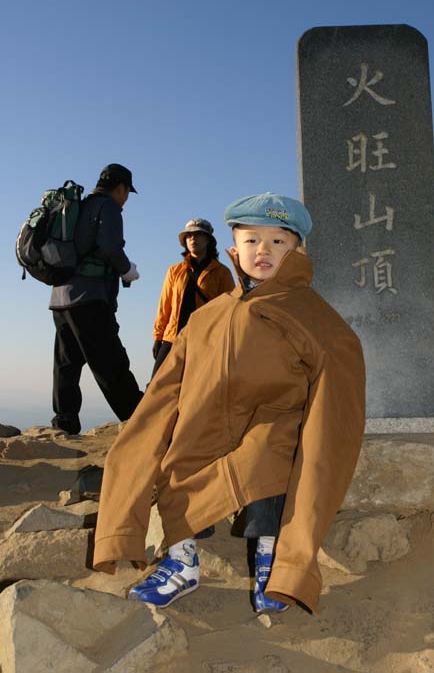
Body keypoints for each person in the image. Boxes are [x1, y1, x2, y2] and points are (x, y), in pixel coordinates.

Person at [93, 192, 365, 615]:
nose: (264, 251)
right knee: (175, 464)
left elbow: (336, 409)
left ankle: (273, 564)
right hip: (204, 424)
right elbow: (163, 395)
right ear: (236, 249)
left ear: (298, 250)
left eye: (278, 242)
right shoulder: (208, 316)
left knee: (268, 469)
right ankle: (182, 562)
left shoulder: (313, 316)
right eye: (253, 240)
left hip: (271, 425)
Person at [49, 163, 144, 435]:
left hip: (60, 297)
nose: (126, 198)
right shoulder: (108, 207)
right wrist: (128, 270)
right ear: (121, 188)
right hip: (89, 298)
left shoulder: (77, 206)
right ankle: (139, 420)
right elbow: (111, 248)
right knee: (109, 361)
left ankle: (64, 421)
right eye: (127, 192)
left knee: (66, 362)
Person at [151, 218, 234, 377]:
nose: (193, 239)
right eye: (188, 236)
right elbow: (164, 307)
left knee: (197, 389)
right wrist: (158, 338)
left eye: (198, 235)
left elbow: (229, 311)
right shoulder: (174, 271)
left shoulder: (222, 273)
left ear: (208, 240)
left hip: (204, 340)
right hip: (172, 338)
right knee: (155, 387)